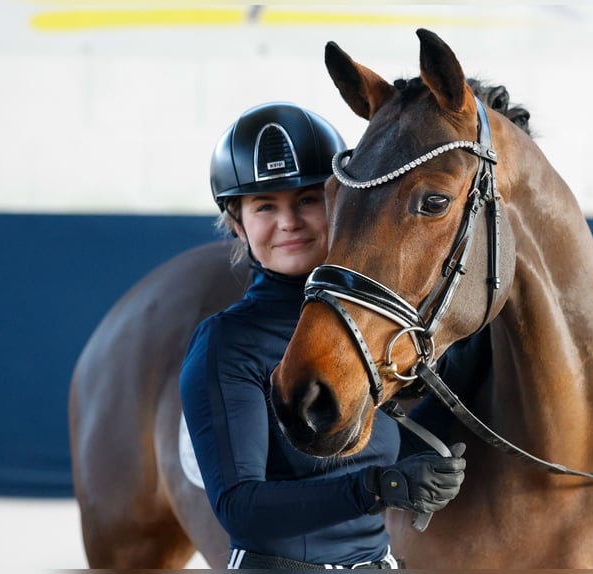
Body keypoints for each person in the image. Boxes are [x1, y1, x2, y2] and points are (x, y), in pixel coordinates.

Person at [179, 102, 467, 570]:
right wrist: (380, 487)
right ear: (237, 223)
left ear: (338, 204)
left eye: (306, 200)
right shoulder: (227, 343)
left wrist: (422, 473)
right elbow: (241, 509)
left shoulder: (379, 329)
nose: (289, 222)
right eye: (265, 206)